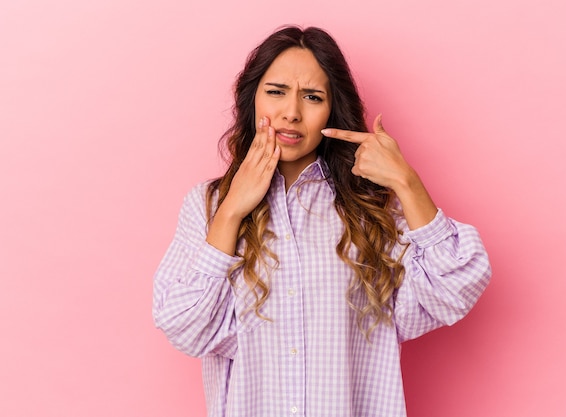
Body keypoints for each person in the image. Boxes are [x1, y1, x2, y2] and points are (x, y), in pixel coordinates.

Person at [153, 25, 491, 417]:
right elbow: (184, 327)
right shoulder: (208, 206)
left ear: (333, 109)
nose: (291, 113)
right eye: (276, 91)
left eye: (312, 97)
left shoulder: (373, 209)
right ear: (252, 101)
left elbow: (456, 287)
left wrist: (406, 181)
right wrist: (231, 212)